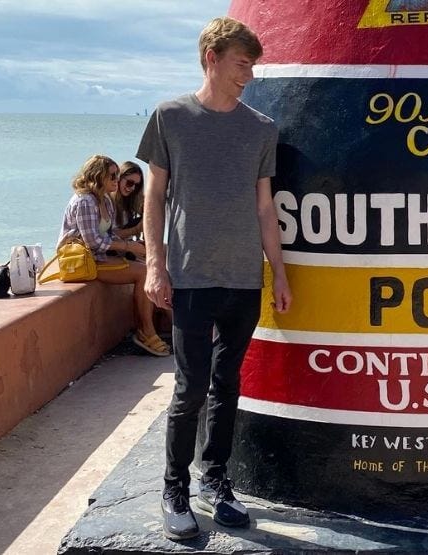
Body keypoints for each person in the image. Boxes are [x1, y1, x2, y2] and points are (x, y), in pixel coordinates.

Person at [137, 16, 293, 541]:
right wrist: (155, 265)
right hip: (189, 275)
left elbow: (265, 207)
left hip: (243, 279)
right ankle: (174, 488)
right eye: (241, 64)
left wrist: (280, 274)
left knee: (228, 386)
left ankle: (216, 480)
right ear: (212, 58)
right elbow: (154, 196)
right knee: (190, 389)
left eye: (252, 65)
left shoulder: (260, 128)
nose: (248, 74)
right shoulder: (170, 116)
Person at [57, 154, 170, 357]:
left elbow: (109, 235)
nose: (116, 180)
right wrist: (129, 247)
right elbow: (93, 242)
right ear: (97, 176)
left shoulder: (105, 202)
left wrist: (134, 243)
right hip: (85, 261)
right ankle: (146, 331)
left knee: (149, 265)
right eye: (112, 176)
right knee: (144, 273)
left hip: (99, 258)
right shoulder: (85, 201)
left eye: (117, 175)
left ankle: (152, 326)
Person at [111, 161, 145, 242]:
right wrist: (136, 230)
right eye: (130, 183)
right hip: (112, 248)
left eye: (137, 185)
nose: (133, 188)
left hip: (127, 244)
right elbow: (108, 236)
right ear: (119, 178)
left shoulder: (130, 200)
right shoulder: (107, 201)